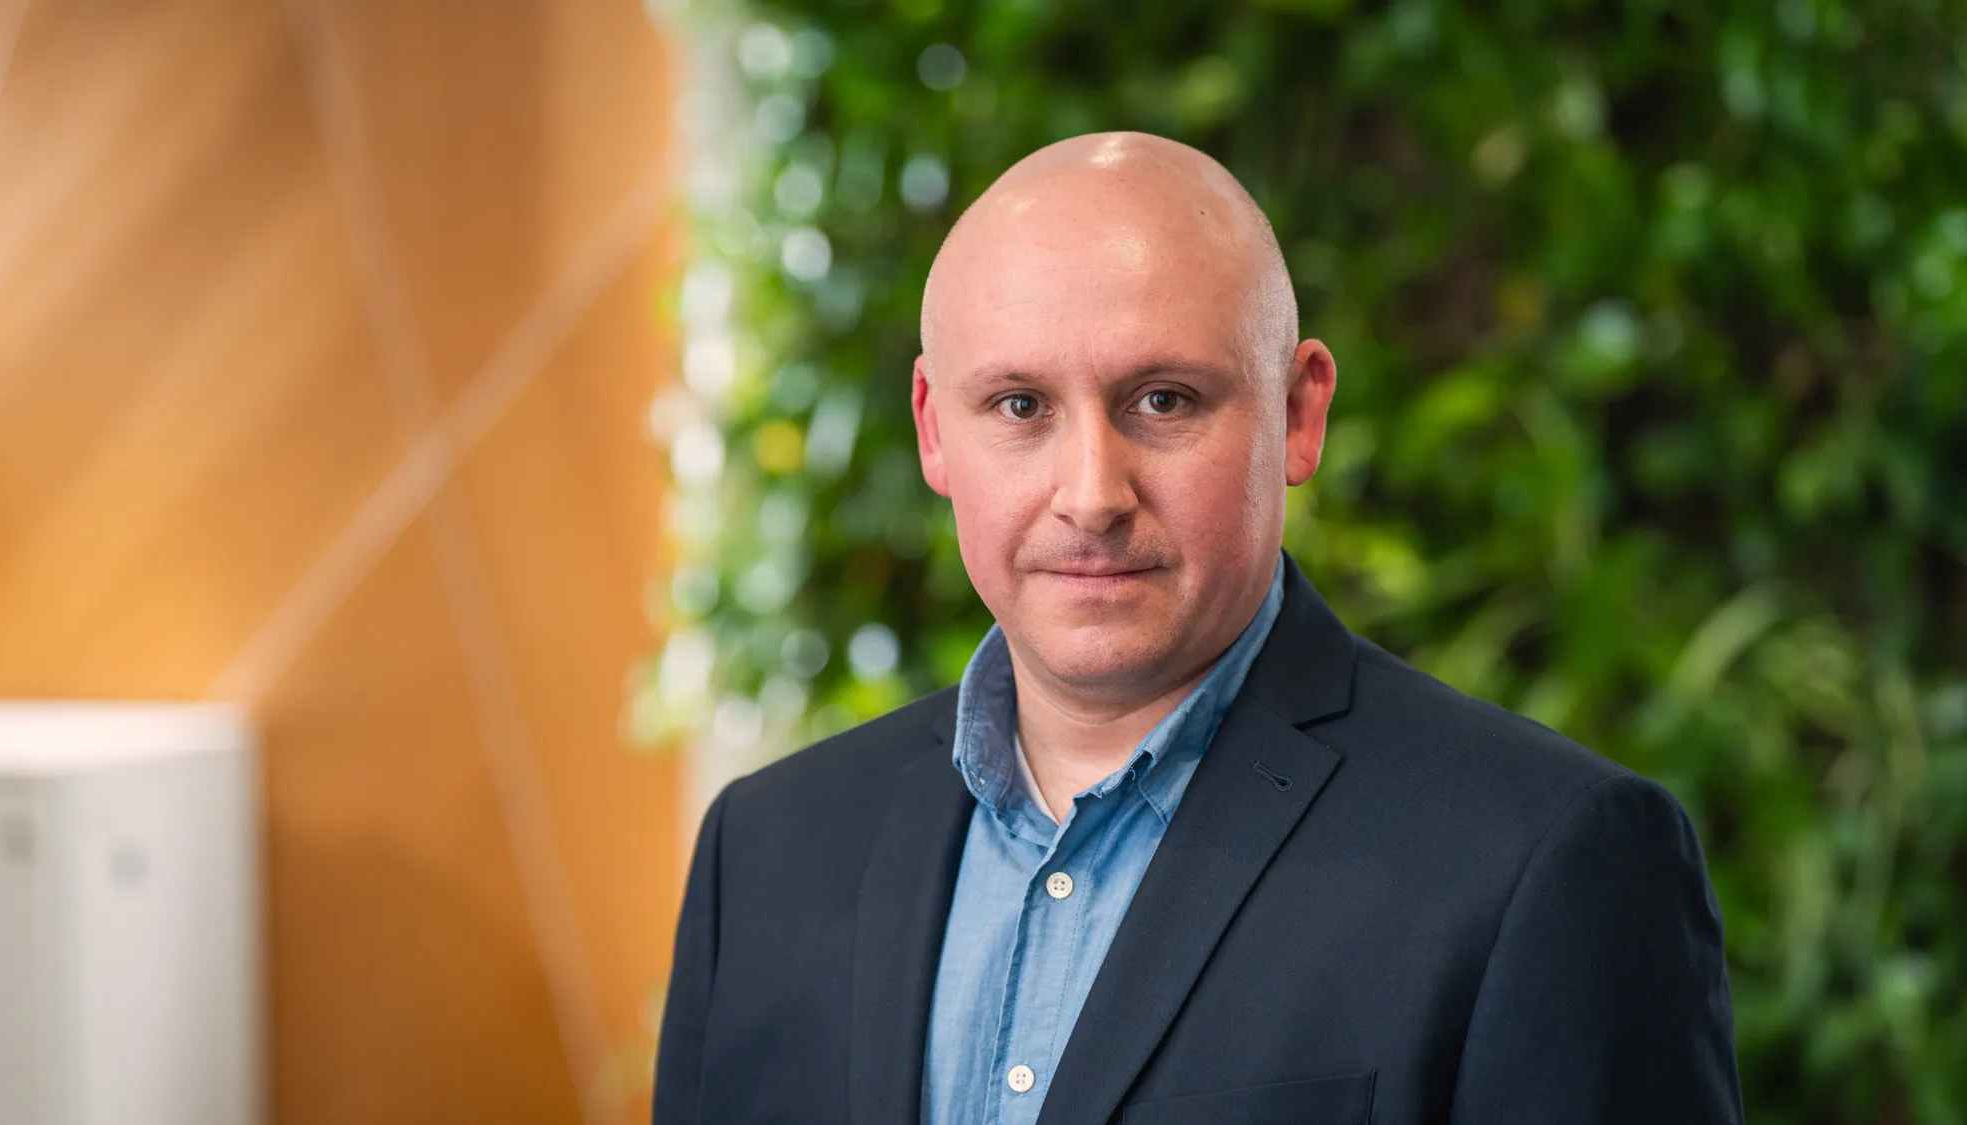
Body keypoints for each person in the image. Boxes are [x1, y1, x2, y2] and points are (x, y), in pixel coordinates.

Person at [654, 132, 1742, 1125]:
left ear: (1297, 413)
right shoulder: (763, 857)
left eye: (1163, 400)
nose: (1090, 494)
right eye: (1020, 407)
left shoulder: (1547, 863)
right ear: (936, 431)